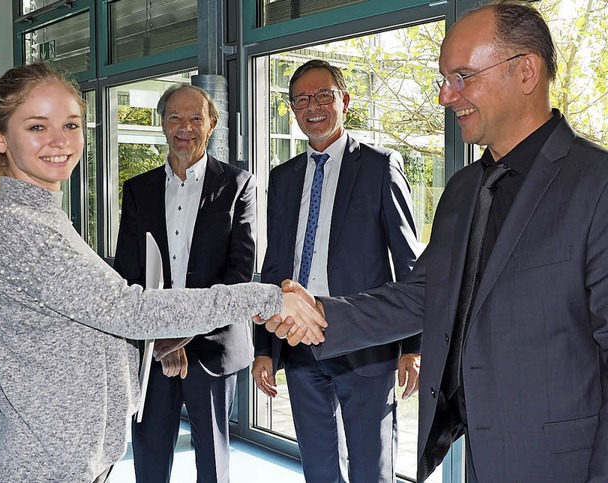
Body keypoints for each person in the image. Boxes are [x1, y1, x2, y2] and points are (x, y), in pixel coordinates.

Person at [270, 2, 608, 482]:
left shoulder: (596, 184)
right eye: (442, 80)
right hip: (482, 453)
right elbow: (424, 294)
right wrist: (325, 314)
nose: (446, 97)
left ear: (526, 71)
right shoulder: (465, 189)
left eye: (462, 77)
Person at [0, 62, 325, 483]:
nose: (59, 141)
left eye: (70, 124)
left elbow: (228, 268)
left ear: (212, 125)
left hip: (74, 449)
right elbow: (126, 304)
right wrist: (267, 297)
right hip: (49, 461)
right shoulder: (23, 227)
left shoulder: (43, 215)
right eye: (36, 127)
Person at [251, 59, 421, 482]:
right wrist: (263, 350)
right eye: (302, 99)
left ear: (344, 101)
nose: (314, 106)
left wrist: (412, 346)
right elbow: (274, 267)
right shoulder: (283, 177)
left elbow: (408, 262)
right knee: (318, 466)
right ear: (292, 110)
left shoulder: (381, 166)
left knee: (370, 467)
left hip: (366, 346)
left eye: (324, 95)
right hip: (299, 343)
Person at [113, 84, 256, 483]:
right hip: (152, 352)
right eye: (175, 117)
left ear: (212, 124)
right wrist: (160, 337)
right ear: (162, 124)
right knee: (149, 454)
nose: (185, 127)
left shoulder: (238, 185)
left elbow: (238, 277)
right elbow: (129, 273)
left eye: (196, 118)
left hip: (212, 348)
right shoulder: (138, 190)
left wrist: (182, 336)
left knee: (212, 459)